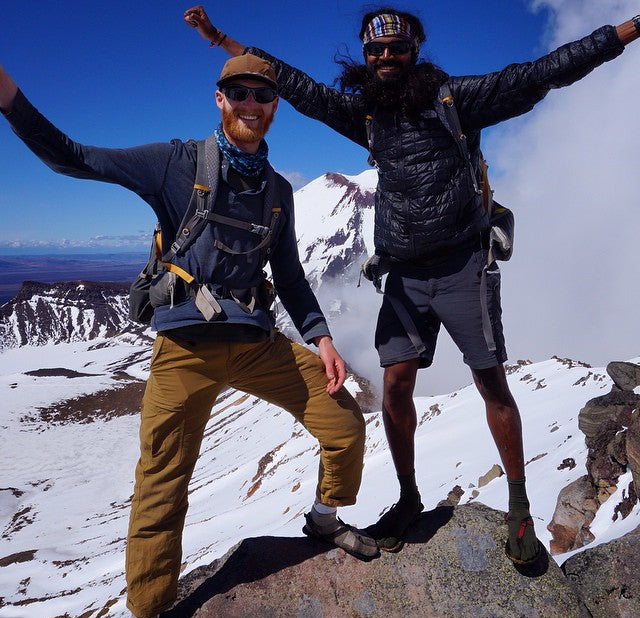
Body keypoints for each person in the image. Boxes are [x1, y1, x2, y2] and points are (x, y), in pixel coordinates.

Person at [184, 5, 640, 562]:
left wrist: (628, 30)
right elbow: (296, 85)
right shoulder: (368, 115)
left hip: (461, 269)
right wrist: (222, 40)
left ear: (413, 51)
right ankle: (408, 498)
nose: (383, 58)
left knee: (491, 384)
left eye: (395, 49)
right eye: (374, 50)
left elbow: (543, 71)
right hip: (402, 274)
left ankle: (519, 510)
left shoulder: (455, 99)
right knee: (396, 385)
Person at [0, 52, 379, 618]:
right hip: (184, 348)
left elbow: (292, 277)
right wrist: (9, 99)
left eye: (263, 95)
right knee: (163, 478)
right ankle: (147, 614)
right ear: (220, 99)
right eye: (240, 93)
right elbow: (71, 158)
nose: (252, 104)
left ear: (275, 106)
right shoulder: (176, 164)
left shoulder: (279, 191)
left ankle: (325, 519)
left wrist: (321, 338)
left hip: (256, 341)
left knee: (344, 424)